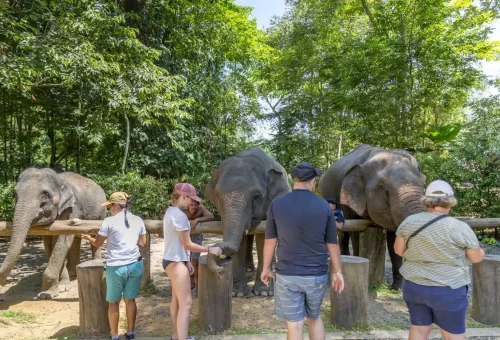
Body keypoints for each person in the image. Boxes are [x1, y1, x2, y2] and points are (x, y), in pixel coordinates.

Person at [261, 162, 344, 340]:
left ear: (294, 181)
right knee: (314, 318)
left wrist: (266, 268)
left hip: (287, 274)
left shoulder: (277, 204)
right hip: (316, 274)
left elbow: (270, 241)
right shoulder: (323, 206)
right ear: (313, 181)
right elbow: (332, 244)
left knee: (295, 324)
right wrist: (337, 272)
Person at [394, 180, 485, 340]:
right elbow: (476, 258)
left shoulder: (409, 222)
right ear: (450, 201)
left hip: (414, 286)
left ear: (426, 200)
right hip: (447, 288)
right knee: (452, 335)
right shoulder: (459, 227)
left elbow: (399, 251)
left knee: (419, 329)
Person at [81, 192, 146, 340]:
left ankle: (114, 336)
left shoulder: (109, 221)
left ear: (116, 205)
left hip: (116, 267)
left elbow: (97, 243)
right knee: (130, 300)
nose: (109, 209)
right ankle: (130, 333)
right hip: (135, 265)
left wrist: (88, 238)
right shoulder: (138, 220)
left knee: (113, 302)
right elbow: (142, 243)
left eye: (110, 206)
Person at [163, 183, 222, 340]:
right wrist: (210, 249)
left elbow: (178, 243)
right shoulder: (180, 216)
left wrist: (187, 261)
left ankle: (176, 335)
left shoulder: (170, 212)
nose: (193, 203)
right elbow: (188, 244)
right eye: (191, 199)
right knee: (187, 303)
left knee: (176, 300)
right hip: (176, 262)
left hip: (171, 260)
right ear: (183, 196)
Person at [184, 199, 215, 291]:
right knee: (185, 260)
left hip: (197, 237)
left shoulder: (201, 208)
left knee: (195, 260)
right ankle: (191, 280)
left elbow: (211, 216)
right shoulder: (183, 210)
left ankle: (198, 284)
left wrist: (197, 219)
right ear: (187, 205)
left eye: (196, 205)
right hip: (185, 237)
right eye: (191, 205)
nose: (194, 207)